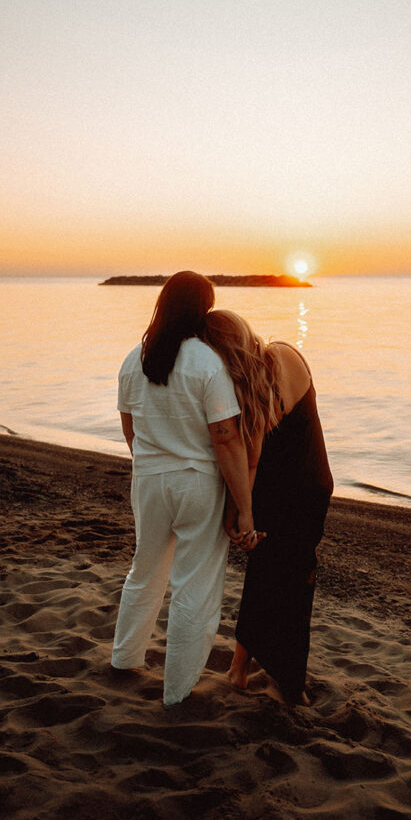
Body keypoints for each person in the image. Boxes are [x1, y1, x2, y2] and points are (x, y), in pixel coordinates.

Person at [111, 272, 254, 706]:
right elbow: (226, 437)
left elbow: (129, 426)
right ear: (202, 310)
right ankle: (177, 691)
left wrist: (152, 463)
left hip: (150, 479)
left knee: (146, 570)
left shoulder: (135, 358)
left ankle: (124, 659)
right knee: (195, 584)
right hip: (196, 483)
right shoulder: (207, 362)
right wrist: (244, 506)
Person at [201, 310, 333, 705]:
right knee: (266, 574)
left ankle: (287, 683)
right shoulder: (249, 380)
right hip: (279, 488)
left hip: (301, 489)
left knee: (291, 579)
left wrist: (241, 511)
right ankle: (241, 670)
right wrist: (245, 508)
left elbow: (253, 450)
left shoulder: (281, 357)